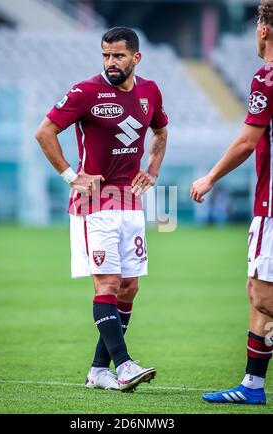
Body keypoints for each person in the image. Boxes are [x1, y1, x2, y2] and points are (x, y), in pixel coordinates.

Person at [35, 27, 168, 392]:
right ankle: (123, 365)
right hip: (93, 203)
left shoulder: (149, 92)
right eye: (106, 55)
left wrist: (153, 168)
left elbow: (160, 131)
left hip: (130, 201)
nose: (111, 62)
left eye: (118, 56)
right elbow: (44, 132)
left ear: (136, 58)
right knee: (108, 283)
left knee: (128, 288)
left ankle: (98, 370)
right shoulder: (86, 92)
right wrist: (70, 175)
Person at [190, 1, 273, 405]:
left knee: (262, 296)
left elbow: (246, 141)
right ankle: (253, 387)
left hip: (271, 208)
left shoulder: (267, 78)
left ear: (263, 29)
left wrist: (209, 177)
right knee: (255, 290)